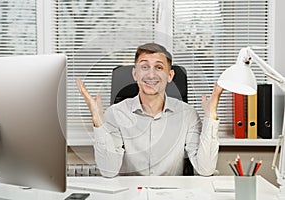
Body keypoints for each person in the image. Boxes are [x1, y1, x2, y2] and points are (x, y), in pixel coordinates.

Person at [76, 43, 223, 177]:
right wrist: (98, 120)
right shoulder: (115, 114)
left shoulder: (188, 114)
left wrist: (211, 117)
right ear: (135, 74)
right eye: (144, 67)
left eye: (159, 67)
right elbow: (108, 171)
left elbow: (205, 169)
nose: (151, 75)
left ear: (170, 75)